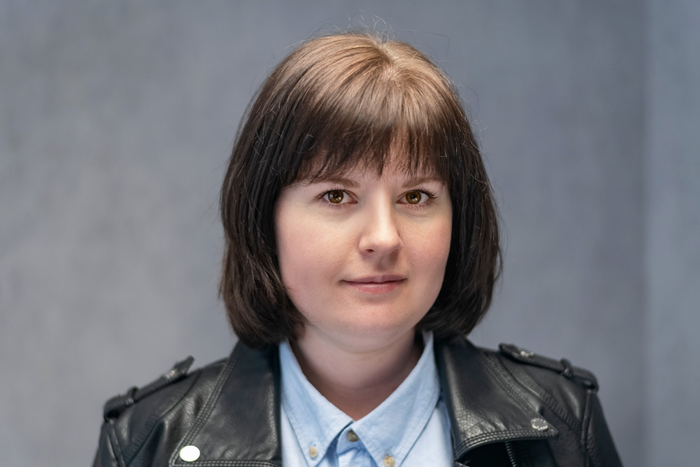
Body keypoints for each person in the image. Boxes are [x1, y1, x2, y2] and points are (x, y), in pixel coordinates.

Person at [93, 32, 622, 467]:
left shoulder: (560, 426)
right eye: (336, 195)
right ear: (264, 219)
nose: (383, 239)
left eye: (416, 196)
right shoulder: (147, 443)